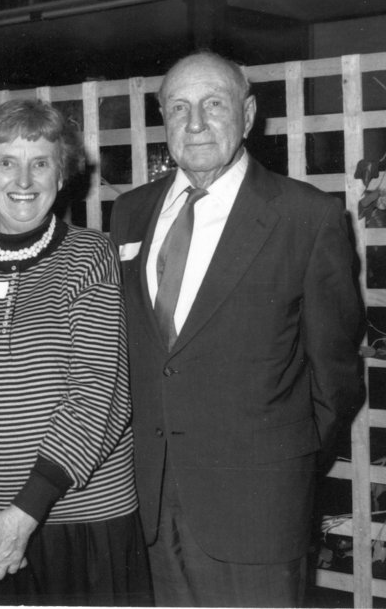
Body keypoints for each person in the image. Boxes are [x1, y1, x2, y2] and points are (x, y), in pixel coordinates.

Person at [109, 51, 364, 607]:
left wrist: (284, 466)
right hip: (149, 504)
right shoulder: (129, 213)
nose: (194, 122)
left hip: (258, 510)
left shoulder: (307, 216)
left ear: (247, 115)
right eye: (178, 107)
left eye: (213, 104)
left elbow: (336, 375)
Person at [0, 100, 150, 605]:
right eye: (6, 162)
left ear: (62, 175)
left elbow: (98, 396)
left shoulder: (91, 256)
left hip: (78, 518)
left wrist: (22, 516)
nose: (23, 178)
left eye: (40, 162)